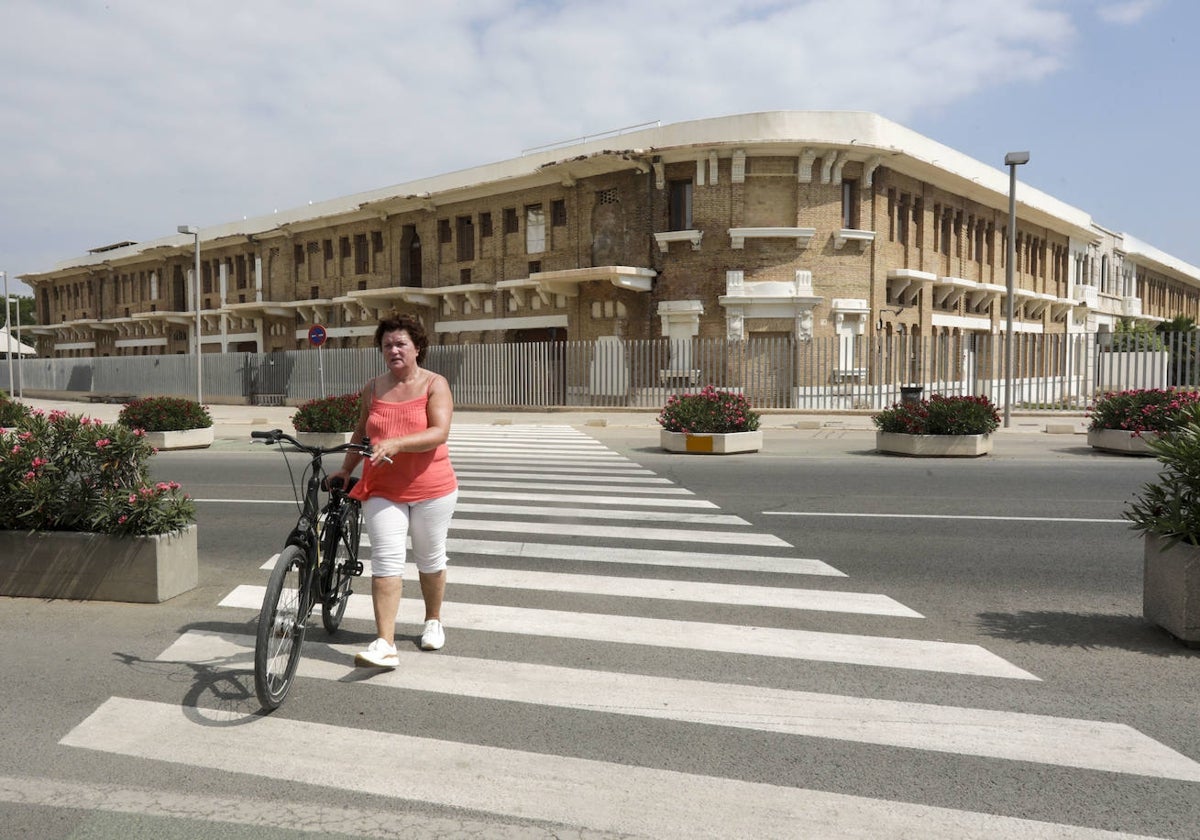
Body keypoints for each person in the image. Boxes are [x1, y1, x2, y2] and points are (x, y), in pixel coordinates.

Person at [329, 314, 458, 668]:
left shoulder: (435, 384)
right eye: (387, 345)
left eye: (401, 343)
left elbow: (439, 432)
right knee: (386, 562)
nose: (394, 350)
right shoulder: (373, 387)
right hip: (382, 487)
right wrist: (346, 468)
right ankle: (385, 642)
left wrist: (399, 444)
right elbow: (361, 433)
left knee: (430, 558)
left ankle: (433, 620)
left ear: (417, 348)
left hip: (432, 488)